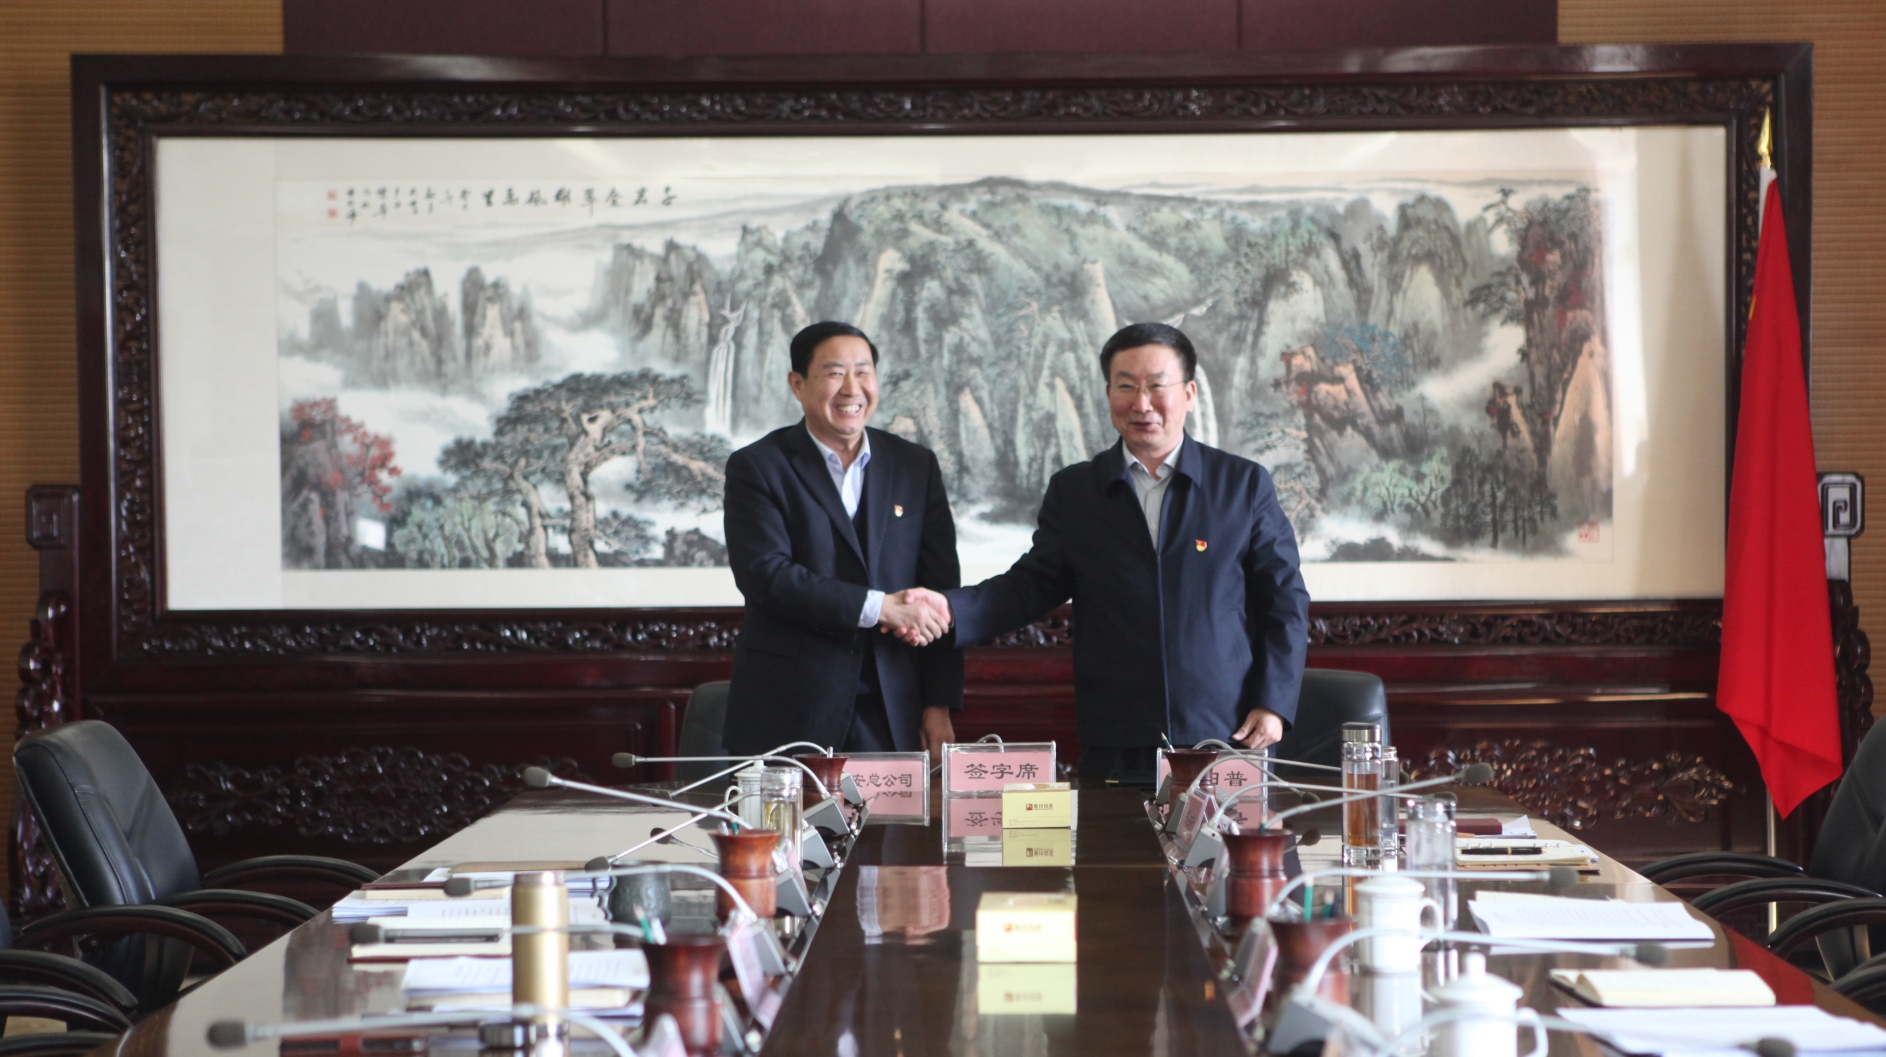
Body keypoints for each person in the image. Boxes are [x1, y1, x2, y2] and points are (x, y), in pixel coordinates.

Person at [903, 322, 1310, 784]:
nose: (1142, 403)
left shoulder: (1241, 485)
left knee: (1228, 837)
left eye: (1157, 386)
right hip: (1116, 734)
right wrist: (950, 609)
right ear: (1108, 393)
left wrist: (1274, 703)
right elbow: (1030, 587)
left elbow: (1285, 599)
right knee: (1113, 834)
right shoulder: (1077, 491)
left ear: (1189, 393)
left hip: (1228, 730)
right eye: (1126, 386)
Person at [721, 321, 962, 760]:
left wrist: (938, 704)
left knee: (901, 811)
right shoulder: (758, 466)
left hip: (895, 706)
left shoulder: (914, 465)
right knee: (791, 812)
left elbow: (941, 589)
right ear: (797, 384)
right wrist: (880, 607)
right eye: (834, 373)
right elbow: (766, 576)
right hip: (792, 706)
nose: (852, 389)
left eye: (863, 372)